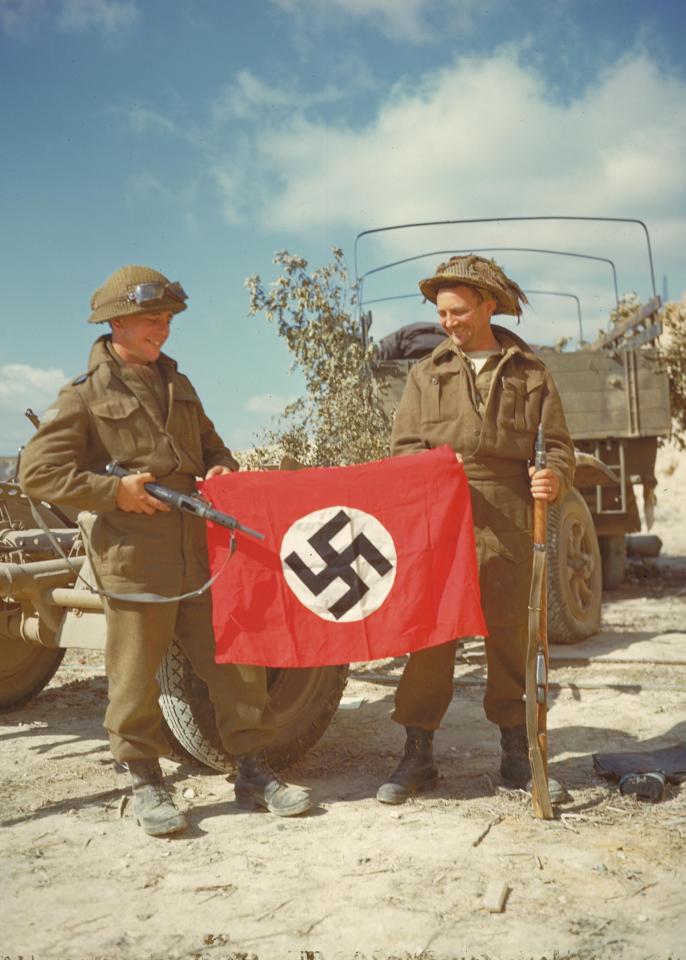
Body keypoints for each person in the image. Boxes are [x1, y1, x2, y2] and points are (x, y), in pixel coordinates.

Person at [19, 264, 312, 835]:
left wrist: (221, 466)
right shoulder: (83, 396)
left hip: (197, 554)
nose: (164, 328)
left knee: (236, 665)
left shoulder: (179, 383)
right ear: (117, 322)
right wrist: (114, 492)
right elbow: (39, 473)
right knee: (133, 676)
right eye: (153, 318)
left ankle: (253, 769)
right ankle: (145, 781)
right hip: (134, 559)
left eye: (169, 318)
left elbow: (210, 445)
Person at [376, 254, 575, 805]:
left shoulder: (530, 372)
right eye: (442, 313)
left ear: (488, 305)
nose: (449, 322)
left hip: (508, 515)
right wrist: (429, 476)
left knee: (512, 635)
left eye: (459, 311)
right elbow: (405, 449)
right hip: (441, 518)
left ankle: (518, 753)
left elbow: (556, 446)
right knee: (432, 637)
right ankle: (418, 753)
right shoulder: (426, 372)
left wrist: (552, 478)